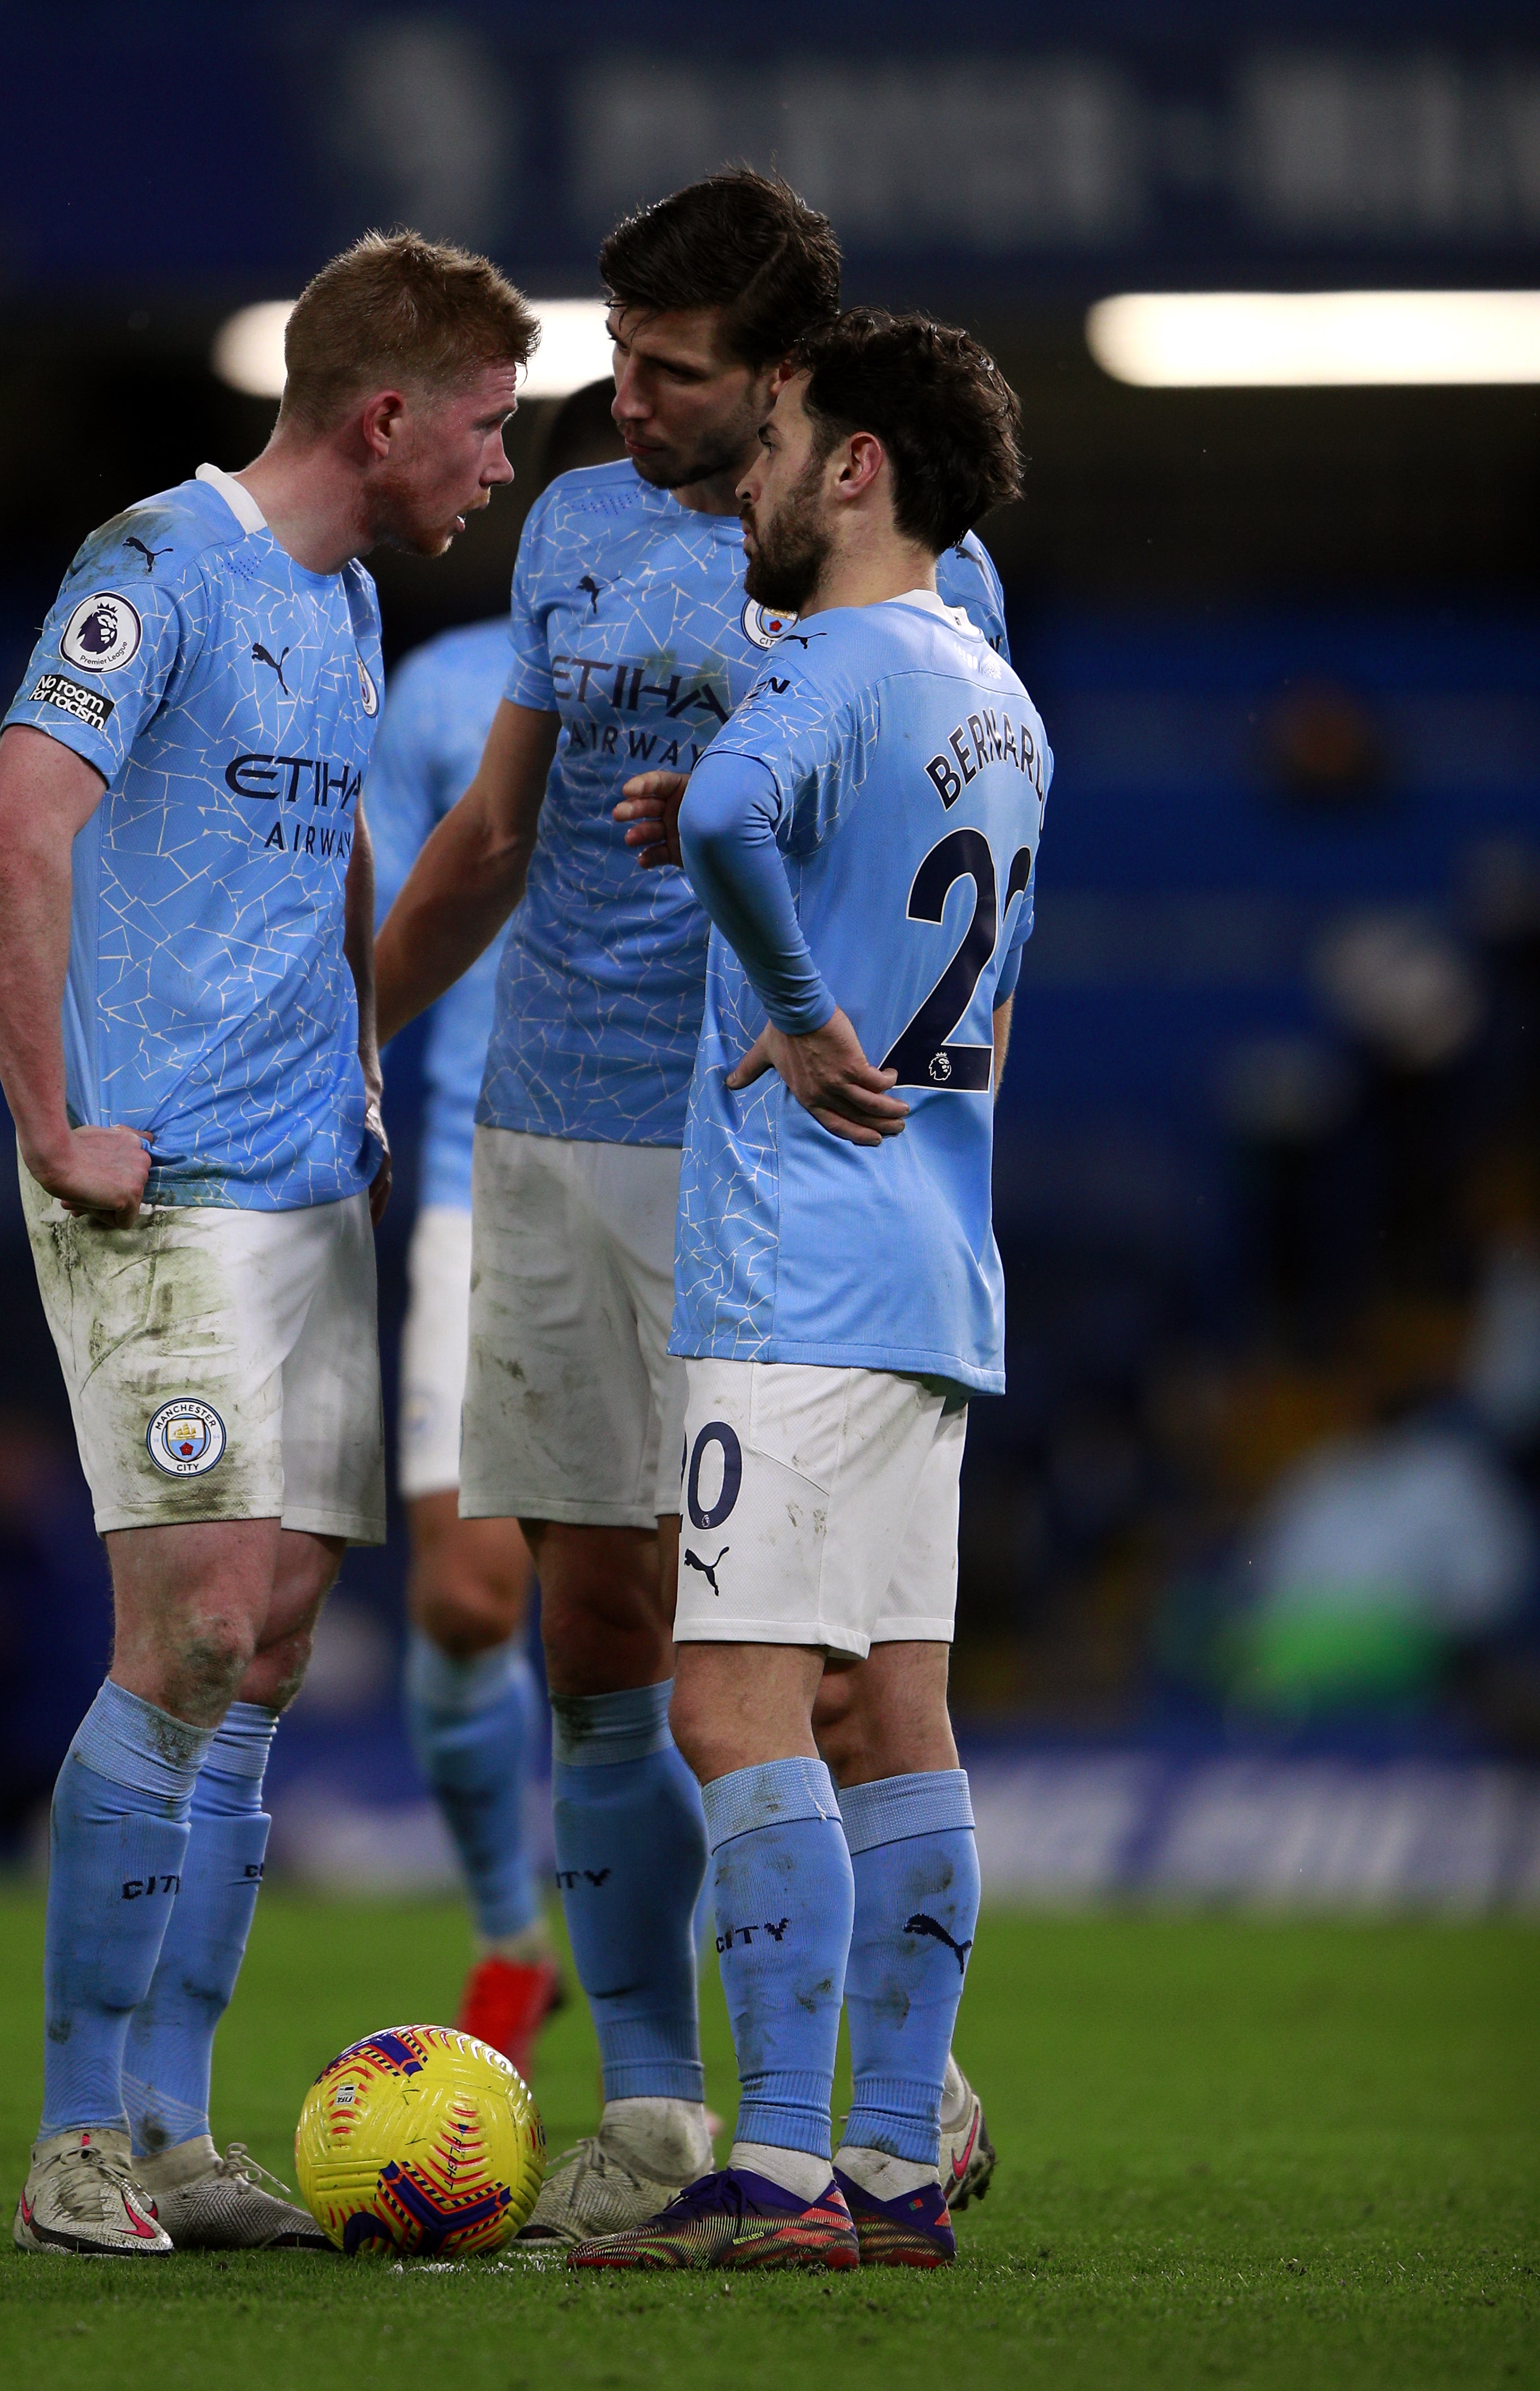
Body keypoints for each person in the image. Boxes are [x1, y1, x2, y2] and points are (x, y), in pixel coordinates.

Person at [375, 172, 1007, 2240]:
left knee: (800, 1669)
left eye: (675, 375)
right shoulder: (569, 527)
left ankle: (831, 2112)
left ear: (791, 385)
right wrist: (358, 1028)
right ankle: (657, 2110)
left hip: (764, 1166)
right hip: (559, 1129)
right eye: (616, 360)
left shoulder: (910, 571)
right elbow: (491, 830)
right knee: (601, 1636)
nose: (625, 402)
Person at [0, 230, 537, 2258]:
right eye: (483, 426)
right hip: (165, 1185)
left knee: (271, 1652)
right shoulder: (156, 566)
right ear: (385, 413)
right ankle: (68, 2146)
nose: (497, 467)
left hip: (312, 1182)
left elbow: (334, 842)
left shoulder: (355, 600)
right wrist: (56, 1122)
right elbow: (11, 830)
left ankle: (177, 2130)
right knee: (193, 1627)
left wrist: (362, 1051)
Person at [567, 308, 1041, 2269]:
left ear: (856, 467)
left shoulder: (831, 654)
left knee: (729, 1704)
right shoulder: (990, 695)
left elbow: (760, 815)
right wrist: (762, 867)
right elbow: (885, 888)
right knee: (903, 1714)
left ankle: (768, 2171)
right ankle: (890, 2166)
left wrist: (792, 1006)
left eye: (772, 451)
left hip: (793, 1264)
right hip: (937, 1261)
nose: (742, 484)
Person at [366, 382, 625, 2077]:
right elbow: (391, 911)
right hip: (476, 1175)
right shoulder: (451, 689)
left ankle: (678, 2011)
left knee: (661, 1626)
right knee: (470, 1600)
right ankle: (506, 1939)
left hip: (682, 1182)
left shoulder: (768, 665)